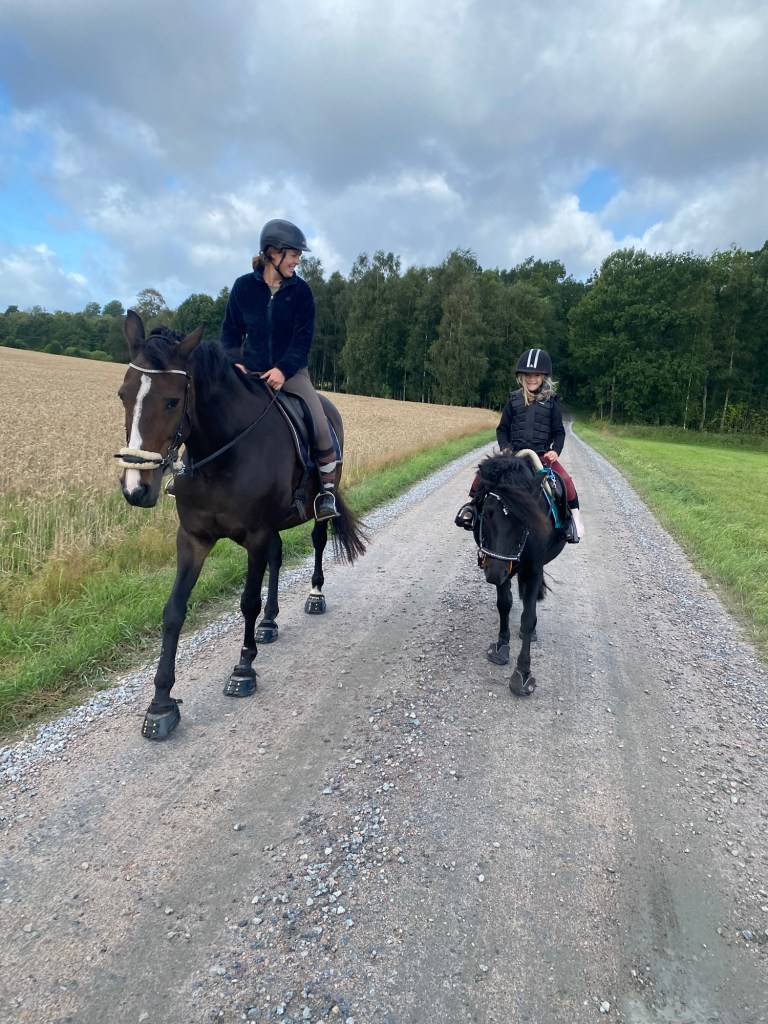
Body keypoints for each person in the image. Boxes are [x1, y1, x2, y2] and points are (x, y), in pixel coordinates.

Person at [219, 218, 339, 520]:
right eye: (294, 254)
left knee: (320, 423)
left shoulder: (302, 292)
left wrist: (283, 370)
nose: (298, 260)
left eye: (298, 255)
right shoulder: (243, 287)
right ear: (273, 253)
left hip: (292, 373)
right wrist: (235, 362)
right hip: (248, 372)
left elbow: (302, 340)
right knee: (211, 407)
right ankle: (187, 470)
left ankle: (326, 492)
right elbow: (230, 333)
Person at [455, 348, 584, 542]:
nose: (532, 379)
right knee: (484, 472)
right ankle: (471, 507)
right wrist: (505, 448)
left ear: (544, 377)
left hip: (541, 456)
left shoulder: (551, 402)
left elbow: (559, 432)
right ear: (521, 377)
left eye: (536, 375)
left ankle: (574, 519)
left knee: (565, 480)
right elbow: (502, 429)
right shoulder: (514, 400)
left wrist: (555, 451)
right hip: (514, 455)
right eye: (528, 375)